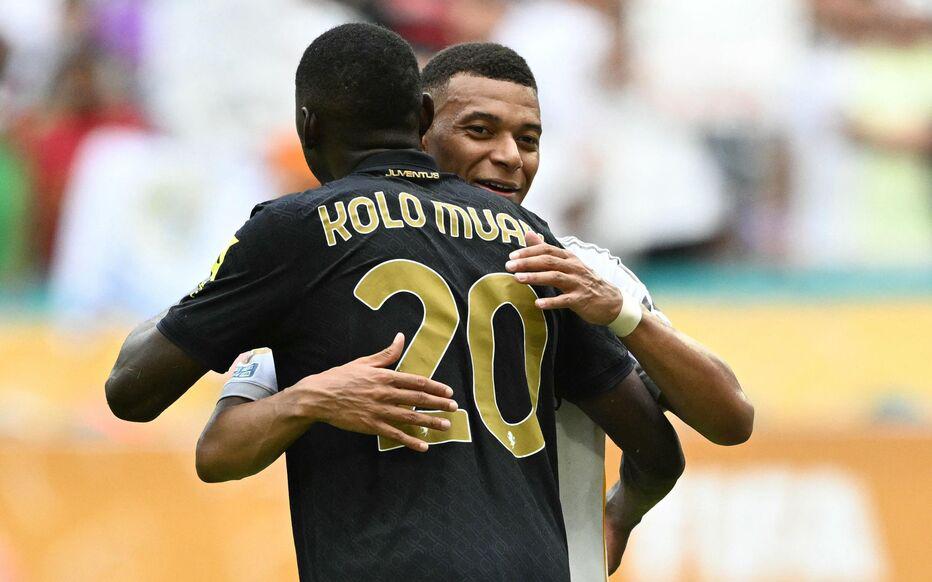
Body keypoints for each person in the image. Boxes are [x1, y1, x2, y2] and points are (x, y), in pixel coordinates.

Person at [105, 24, 683, 581]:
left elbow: (131, 391)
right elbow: (657, 450)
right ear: (424, 118)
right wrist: (619, 513)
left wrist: (234, 302)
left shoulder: (296, 232)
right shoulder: (529, 238)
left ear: (307, 124)